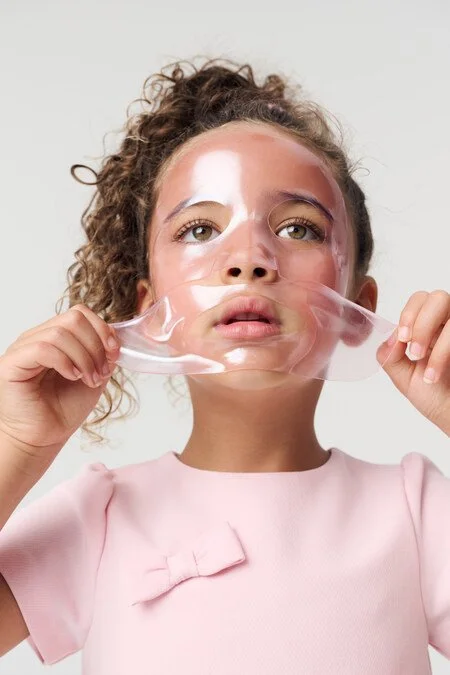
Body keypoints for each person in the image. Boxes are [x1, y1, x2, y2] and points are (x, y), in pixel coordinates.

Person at [0, 57, 448, 674]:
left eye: (298, 228)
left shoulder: (414, 510)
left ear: (357, 309)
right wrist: (16, 443)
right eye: (199, 229)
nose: (249, 258)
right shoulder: (102, 516)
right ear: (148, 308)